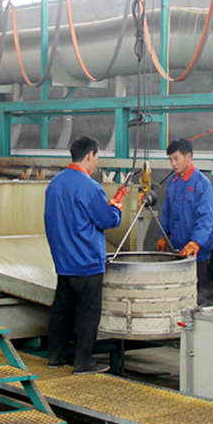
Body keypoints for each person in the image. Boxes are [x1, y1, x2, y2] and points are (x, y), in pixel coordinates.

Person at [44, 135, 125, 374]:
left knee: (62, 310)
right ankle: (83, 361)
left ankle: (55, 357)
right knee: (87, 314)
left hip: (64, 261)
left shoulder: (55, 183)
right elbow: (107, 220)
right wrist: (116, 207)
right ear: (90, 155)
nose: (96, 162)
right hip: (87, 262)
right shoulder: (90, 187)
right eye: (97, 157)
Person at [157, 138, 213, 304]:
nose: (173, 164)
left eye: (176, 158)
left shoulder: (202, 184)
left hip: (197, 255)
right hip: (177, 250)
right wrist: (163, 235)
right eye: (170, 160)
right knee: (177, 296)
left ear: (188, 156)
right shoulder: (173, 182)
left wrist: (196, 242)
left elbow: (206, 218)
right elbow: (167, 211)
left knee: (197, 297)